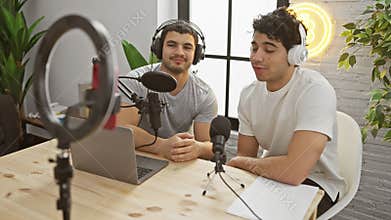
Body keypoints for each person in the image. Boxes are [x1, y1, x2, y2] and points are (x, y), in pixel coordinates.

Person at [226, 7, 345, 216]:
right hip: (269, 176)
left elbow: (294, 171)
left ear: (295, 55)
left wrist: (244, 163)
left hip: (315, 183)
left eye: (269, 50)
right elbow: (245, 158)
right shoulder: (248, 95)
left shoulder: (315, 91)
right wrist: (244, 164)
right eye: (254, 48)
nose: (256, 57)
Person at [118, 19, 217, 163]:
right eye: (172, 45)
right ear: (159, 48)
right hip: (136, 156)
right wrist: (162, 146)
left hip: (176, 161)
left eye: (187, 47)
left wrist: (199, 148)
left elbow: (209, 147)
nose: (179, 52)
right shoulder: (135, 81)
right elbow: (122, 131)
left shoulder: (204, 94)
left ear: (197, 54)